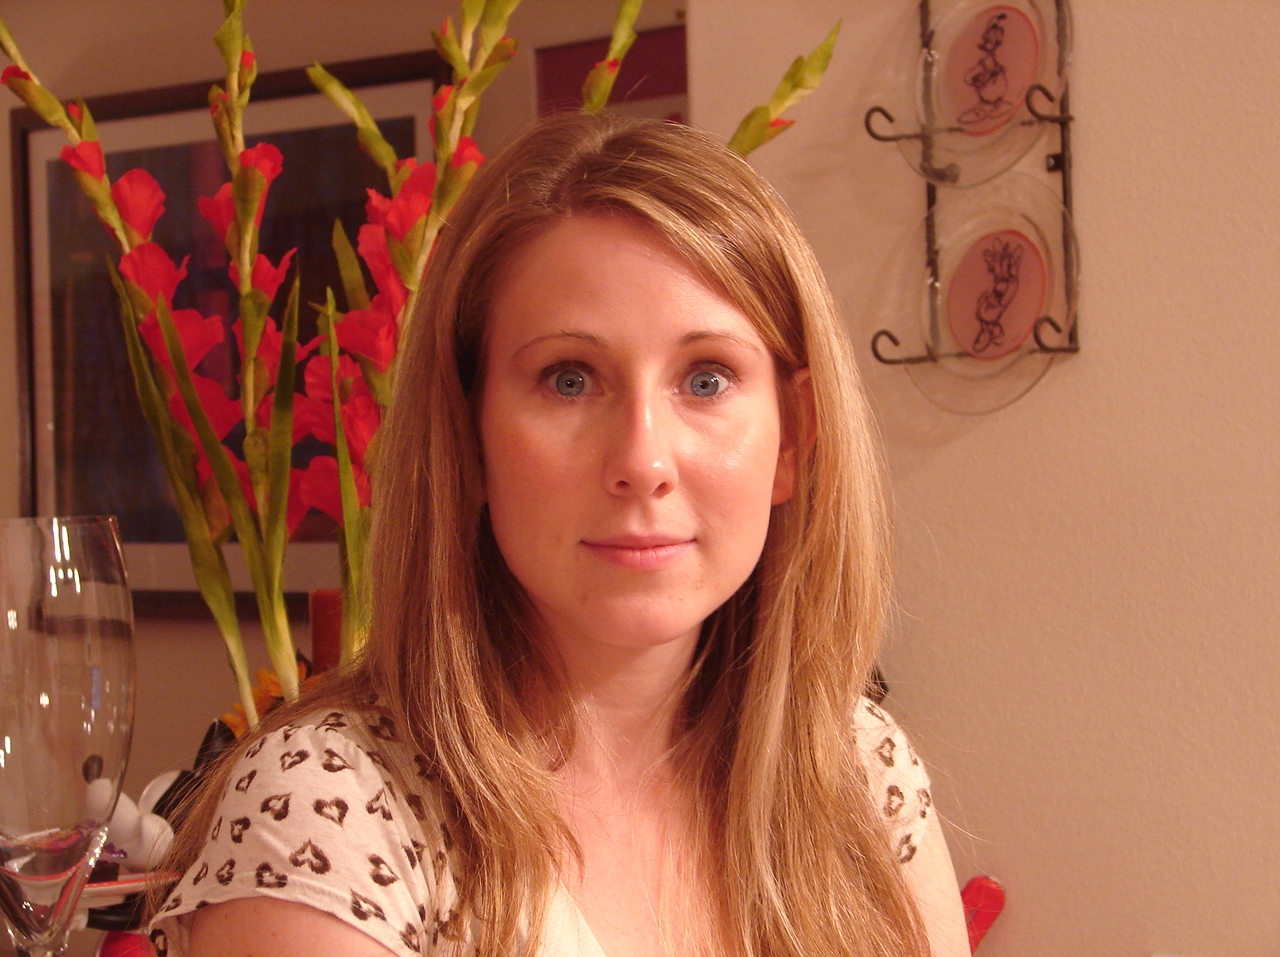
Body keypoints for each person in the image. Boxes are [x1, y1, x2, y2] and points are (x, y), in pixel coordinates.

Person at [149, 113, 968, 957]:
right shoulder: (333, 809)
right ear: (467, 436)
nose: (643, 460)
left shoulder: (858, 768)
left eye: (706, 379)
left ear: (793, 438)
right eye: (570, 379)